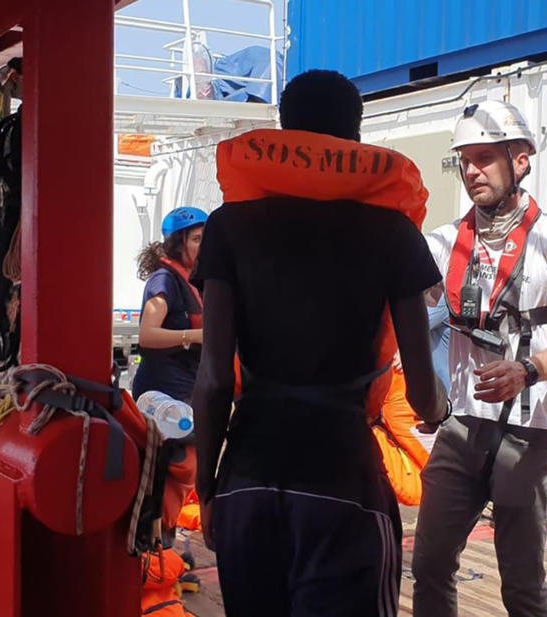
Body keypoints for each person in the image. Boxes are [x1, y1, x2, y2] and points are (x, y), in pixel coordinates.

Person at [190, 69, 448, 617]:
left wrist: (208, 491)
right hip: (342, 481)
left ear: (287, 130)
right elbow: (423, 395)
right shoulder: (392, 230)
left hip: (247, 479)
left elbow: (212, 381)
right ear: (354, 136)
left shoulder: (228, 226)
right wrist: (440, 407)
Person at [412, 101, 547, 617]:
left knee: (520, 579)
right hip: (461, 427)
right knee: (428, 563)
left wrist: (528, 370)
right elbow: (401, 311)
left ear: (521, 160)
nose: (472, 170)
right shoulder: (443, 243)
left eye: (485, 157)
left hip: (528, 431)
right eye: (465, 160)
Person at [131, 207, 206, 402]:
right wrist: (197, 336)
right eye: (197, 240)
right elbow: (147, 335)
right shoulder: (164, 280)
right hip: (164, 393)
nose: (204, 246)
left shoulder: (196, 281)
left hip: (187, 387)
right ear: (178, 246)